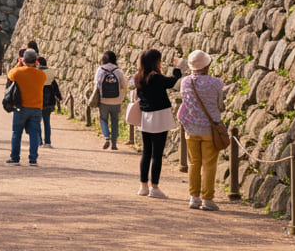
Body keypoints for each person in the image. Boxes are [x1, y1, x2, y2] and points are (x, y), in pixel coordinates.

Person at [177, 49, 225, 211]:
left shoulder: (185, 82)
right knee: (209, 164)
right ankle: (207, 199)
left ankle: (194, 197)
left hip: (191, 128)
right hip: (210, 129)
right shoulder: (217, 83)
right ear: (207, 66)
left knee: (193, 163)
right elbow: (220, 105)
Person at [133, 48, 183, 198]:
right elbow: (174, 81)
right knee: (157, 154)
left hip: (146, 117)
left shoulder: (138, 77)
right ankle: (154, 187)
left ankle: (143, 186)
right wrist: (178, 67)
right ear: (155, 61)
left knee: (146, 153)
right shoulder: (156, 77)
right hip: (159, 117)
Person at [6, 49, 46, 166]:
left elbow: (10, 74)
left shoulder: (18, 72)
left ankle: (15, 158)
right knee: (34, 134)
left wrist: (19, 64)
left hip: (21, 107)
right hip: (36, 108)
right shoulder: (41, 75)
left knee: (16, 133)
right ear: (36, 61)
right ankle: (33, 159)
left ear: (23, 60)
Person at [95, 50, 127, 150]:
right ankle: (114, 143)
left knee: (103, 119)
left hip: (104, 100)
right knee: (115, 120)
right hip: (116, 101)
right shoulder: (118, 71)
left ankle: (106, 138)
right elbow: (124, 85)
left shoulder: (100, 70)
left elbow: (96, 84)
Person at [38, 56, 62, 148]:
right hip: (49, 99)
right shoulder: (51, 72)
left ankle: (39, 141)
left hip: (38, 98)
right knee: (47, 121)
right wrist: (59, 97)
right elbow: (55, 85)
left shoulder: (36, 73)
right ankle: (47, 142)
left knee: (37, 122)